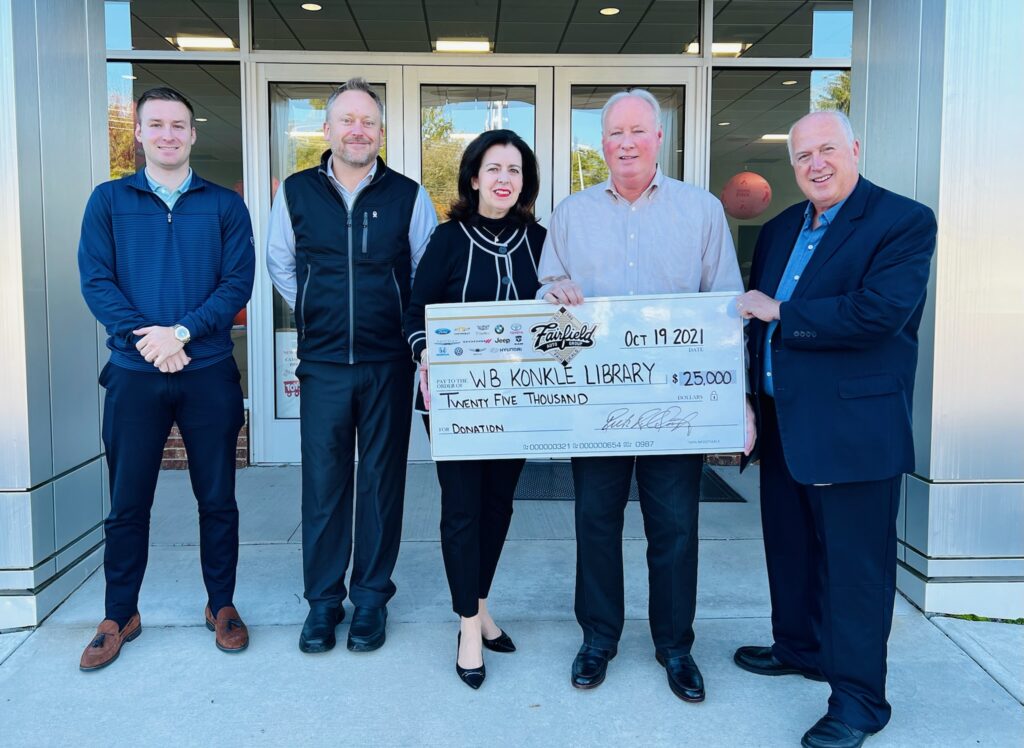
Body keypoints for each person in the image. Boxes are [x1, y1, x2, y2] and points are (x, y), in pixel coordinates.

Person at [537, 89, 756, 702]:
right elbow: (547, 303)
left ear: (660, 137)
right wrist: (555, 296)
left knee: (676, 527)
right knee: (595, 522)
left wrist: (735, 401)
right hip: (597, 408)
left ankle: (675, 646)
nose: (625, 143)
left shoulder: (702, 210)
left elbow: (726, 313)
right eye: (614, 134)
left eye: (637, 131)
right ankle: (598, 638)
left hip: (678, 406)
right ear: (601, 143)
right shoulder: (572, 213)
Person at [733, 110, 936, 748]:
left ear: (855, 147)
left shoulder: (902, 220)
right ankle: (799, 647)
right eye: (802, 156)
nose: (815, 164)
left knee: (854, 572)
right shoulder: (780, 228)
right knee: (789, 549)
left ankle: (858, 702)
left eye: (827, 149)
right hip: (782, 421)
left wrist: (785, 312)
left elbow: (880, 312)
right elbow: (749, 325)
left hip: (854, 427)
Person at [77, 87, 255, 670]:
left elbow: (237, 284)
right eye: (157, 125)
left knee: (218, 499)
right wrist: (149, 340)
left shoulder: (224, 206)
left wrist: (179, 333)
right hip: (134, 374)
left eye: (179, 125)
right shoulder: (108, 201)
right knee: (128, 502)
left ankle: (221, 605)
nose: (169, 135)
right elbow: (97, 282)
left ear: (194, 133)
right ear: (139, 133)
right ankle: (119, 612)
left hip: (207, 373)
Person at [266, 77, 438, 654]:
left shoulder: (409, 196)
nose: (357, 129)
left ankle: (369, 600)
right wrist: (321, 314)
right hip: (323, 365)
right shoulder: (294, 193)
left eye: (368, 121)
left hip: (388, 363)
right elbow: (283, 268)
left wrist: (407, 341)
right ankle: (322, 604)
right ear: (327, 129)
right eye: (347, 120)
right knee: (323, 487)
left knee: (383, 485)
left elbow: (424, 278)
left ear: (381, 131)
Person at [404, 129, 546, 689]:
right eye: (493, 168)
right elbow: (415, 311)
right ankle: (468, 625)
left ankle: (480, 605)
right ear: (473, 177)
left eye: (514, 170)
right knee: (462, 508)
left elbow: (557, 313)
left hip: (520, 401)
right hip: (456, 401)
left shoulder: (541, 240)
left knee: (498, 506)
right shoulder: (448, 238)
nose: (504, 179)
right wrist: (426, 359)